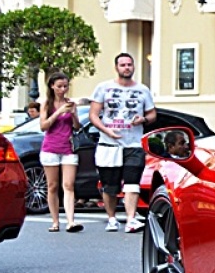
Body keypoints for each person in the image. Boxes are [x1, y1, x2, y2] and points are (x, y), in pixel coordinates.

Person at [90, 53, 156, 234]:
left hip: (133, 144)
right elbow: (93, 115)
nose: (126, 68)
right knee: (110, 186)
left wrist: (143, 119)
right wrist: (106, 130)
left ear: (133, 67)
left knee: (132, 183)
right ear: (116, 67)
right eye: (123, 65)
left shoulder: (143, 90)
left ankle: (131, 219)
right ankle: (112, 219)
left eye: (129, 64)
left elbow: (152, 114)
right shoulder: (103, 88)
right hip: (109, 144)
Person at [39, 72, 82, 233]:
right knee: (52, 186)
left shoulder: (71, 104)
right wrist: (58, 112)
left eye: (65, 86)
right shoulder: (46, 104)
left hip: (68, 148)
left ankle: (70, 221)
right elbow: (43, 126)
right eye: (59, 86)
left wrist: (73, 115)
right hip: (50, 148)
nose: (63, 89)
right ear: (52, 86)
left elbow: (77, 127)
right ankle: (55, 221)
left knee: (69, 185)